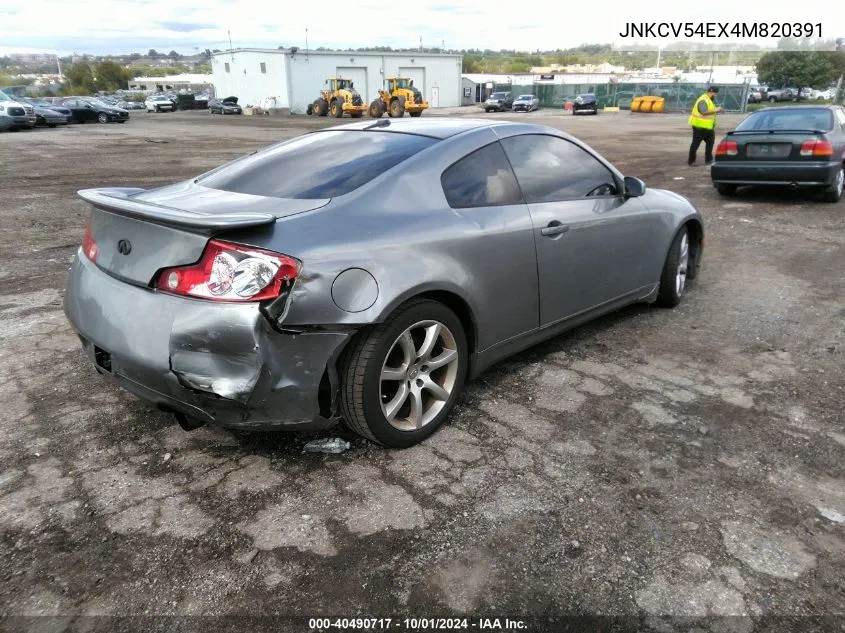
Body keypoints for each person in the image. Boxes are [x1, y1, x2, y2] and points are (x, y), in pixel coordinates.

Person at [688, 86, 722, 166]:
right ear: (712, 92)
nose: (716, 96)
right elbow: (703, 112)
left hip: (708, 127)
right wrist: (716, 110)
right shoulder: (703, 99)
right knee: (695, 144)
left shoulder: (708, 100)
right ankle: (691, 161)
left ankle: (709, 160)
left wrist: (715, 111)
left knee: (710, 143)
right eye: (715, 94)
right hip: (699, 127)